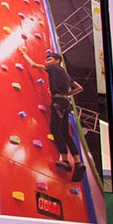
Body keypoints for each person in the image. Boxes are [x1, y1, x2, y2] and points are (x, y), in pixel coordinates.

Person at [21, 47, 86, 181]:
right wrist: (67, 94)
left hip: (57, 101)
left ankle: (65, 160)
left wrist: (23, 54)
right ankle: (78, 161)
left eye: (49, 59)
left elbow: (33, 65)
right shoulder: (66, 74)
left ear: (57, 60)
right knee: (65, 133)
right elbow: (80, 88)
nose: (47, 61)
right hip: (66, 102)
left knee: (55, 129)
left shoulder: (52, 68)